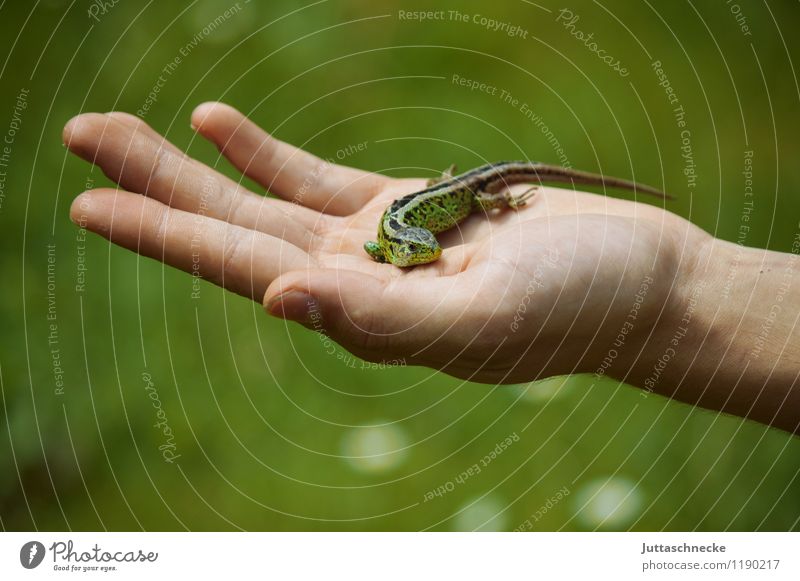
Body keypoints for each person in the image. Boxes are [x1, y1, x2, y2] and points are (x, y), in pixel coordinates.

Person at [62, 102, 800, 435]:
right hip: (438, 195)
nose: (423, 261)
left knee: (491, 204)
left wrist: (498, 206)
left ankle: (497, 195)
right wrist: (677, 283)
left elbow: (416, 231)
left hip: (452, 190)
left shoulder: (431, 218)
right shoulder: (397, 235)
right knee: (461, 210)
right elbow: (402, 238)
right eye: (411, 256)